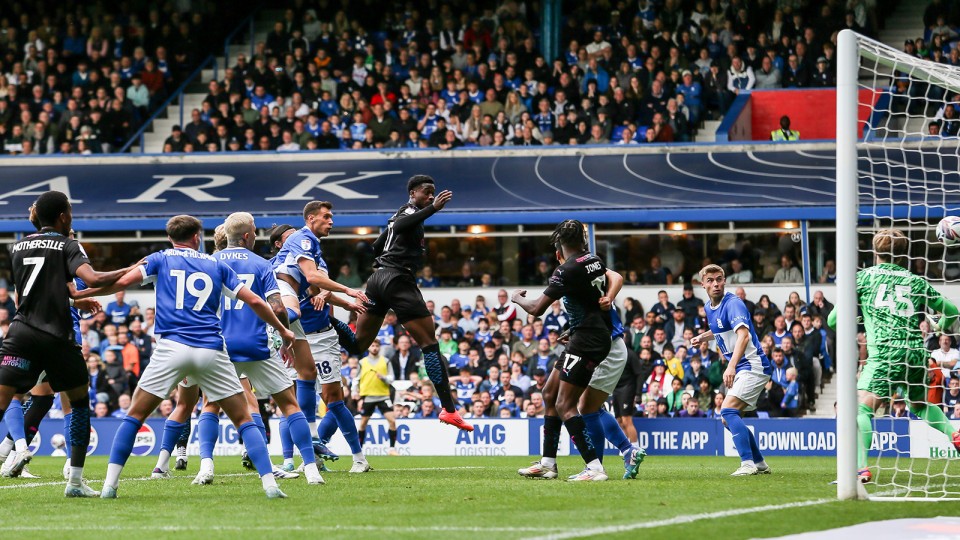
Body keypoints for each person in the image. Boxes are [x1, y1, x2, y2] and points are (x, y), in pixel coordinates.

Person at [75, 214, 296, 499]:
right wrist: (283, 330)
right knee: (243, 418)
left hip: (172, 349)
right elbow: (255, 300)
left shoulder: (160, 258)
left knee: (134, 416)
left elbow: (120, 283)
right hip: (211, 350)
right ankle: (270, 485)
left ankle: (110, 486)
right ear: (197, 237)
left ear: (171, 238)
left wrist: (78, 297)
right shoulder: (218, 264)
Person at [0, 191, 128, 497]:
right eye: (69, 211)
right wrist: (133, 269)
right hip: (57, 334)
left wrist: (74, 299)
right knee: (79, 404)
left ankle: (14, 448)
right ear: (62, 216)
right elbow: (93, 279)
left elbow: (26, 297)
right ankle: (74, 481)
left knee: (6, 400)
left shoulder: (17, 247)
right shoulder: (67, 244)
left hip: (21, 333)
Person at [180, 212, 324, 485]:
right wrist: (284, 337)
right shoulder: (261, 264)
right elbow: (278, 306)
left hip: (221, 346)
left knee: (210, 405)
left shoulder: (208, 263)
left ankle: (206, 467)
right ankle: (311, 469)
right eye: (255, 231)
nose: (256, 236)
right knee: (289, 405)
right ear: (247, 236)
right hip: (257, 344)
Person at [332, 175, 473, 432]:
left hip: (378, 278)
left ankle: (325, 320)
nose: (431, 196)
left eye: (433, 193)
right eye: (427, 192)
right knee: (430, 346)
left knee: (358, 345)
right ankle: (449, 410)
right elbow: (399, 225)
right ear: (412, 193)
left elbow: (377, 244)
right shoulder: (409, 211)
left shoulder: (403, 216)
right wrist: (432, 209)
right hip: (398, 278)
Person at [827, 229, 960, 483]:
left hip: (886, 352)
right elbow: (952, 311)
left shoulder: (863, 278)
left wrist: (859, 318)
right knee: (919, 405)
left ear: (875, 252)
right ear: (901, 256)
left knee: (860, 408)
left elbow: (833, 320)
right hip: (916, 352)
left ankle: (860, 469)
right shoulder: (915, 280)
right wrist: (940, 326)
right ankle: (954, 434)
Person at [511, 220, 617, 481]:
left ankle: (594, 467)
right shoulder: (594, 259)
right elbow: (594, 296)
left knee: (564, 403)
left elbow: (536, 308)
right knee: (549, 393)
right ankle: (548, 463)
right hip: (587, 335)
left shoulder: (565, 270)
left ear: (558, 248)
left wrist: (517, 298)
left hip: (587, 341)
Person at [273, 201, 369, 457]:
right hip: (297, 336)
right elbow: (314, 279)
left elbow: (319, 282)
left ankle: (350, 455)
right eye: (326, 217)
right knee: (291, 400)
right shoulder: (294, 250)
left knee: (333, 398)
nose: (331, 221)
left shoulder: (312, 253)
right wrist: (346, 289)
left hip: (321, 336)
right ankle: (294, 457)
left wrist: (336, 296)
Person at [692, 264, 773, 476]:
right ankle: (759, 462)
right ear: (703, 284)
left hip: (752, 365)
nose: (715, 284)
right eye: (710, 280)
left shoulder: (734, 304)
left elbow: (743, 335)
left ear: (724, 281)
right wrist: (703, 337)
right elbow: (720, 327)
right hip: (743, 367)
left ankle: (747, 464)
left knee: (727, 410)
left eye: (719, 279)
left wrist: (731, 365)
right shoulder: (710, 307)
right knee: (728, 418)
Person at [352, 340, 400, 455]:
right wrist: (354, 391)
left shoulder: (386, 361)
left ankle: (392, 449)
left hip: (383, 395)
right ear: (368, 347)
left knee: (392, 421)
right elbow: (356, 379)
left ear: (379, 347)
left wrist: (383, 377)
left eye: (376, 346)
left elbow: (391, 378)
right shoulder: (362, 362)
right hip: (368, 396)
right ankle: (359, 450)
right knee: (363, 423)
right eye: (372, 345)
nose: (374, 348)